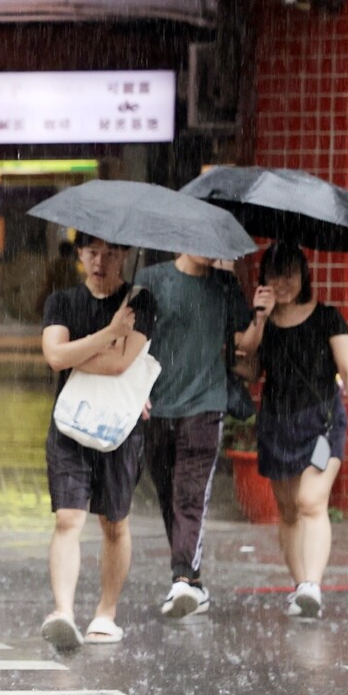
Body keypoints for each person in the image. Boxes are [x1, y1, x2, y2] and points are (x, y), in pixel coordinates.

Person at [240, 241, 348, 619]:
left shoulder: (328, 318)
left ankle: (313, 584)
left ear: (304, 276)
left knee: (311, 503)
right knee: (287, 511)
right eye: (275, 274)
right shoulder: (261, 323)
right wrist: (260, 318)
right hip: (277, 422)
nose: (283, 282)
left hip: (321, 424)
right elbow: (248, 370)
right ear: (264, 279)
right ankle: (301, 585)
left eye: (291, 273)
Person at [39, 234, 157, 650]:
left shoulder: (142, 303)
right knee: (68, 518)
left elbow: (121, 363)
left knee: (114, 522)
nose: (100, 261)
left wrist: (75, 353)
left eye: (110, 252)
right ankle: (63, 612)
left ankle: (106, 613)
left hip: (120, 429)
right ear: (80, 255)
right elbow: (54, 357)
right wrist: (110, 330)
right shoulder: (62, 301)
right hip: (69, 425)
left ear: (125, 254)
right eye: (92, 252)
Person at [137, 251, 266, 618]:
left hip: (205, 405)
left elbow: (245, 345)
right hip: (158, 405)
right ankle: (192, 581)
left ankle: (181, 579)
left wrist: (261, 313)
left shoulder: (225, 286)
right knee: (168, 494)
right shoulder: (153, 280)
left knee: (190, 495)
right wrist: (136, 387)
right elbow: (135, 339)